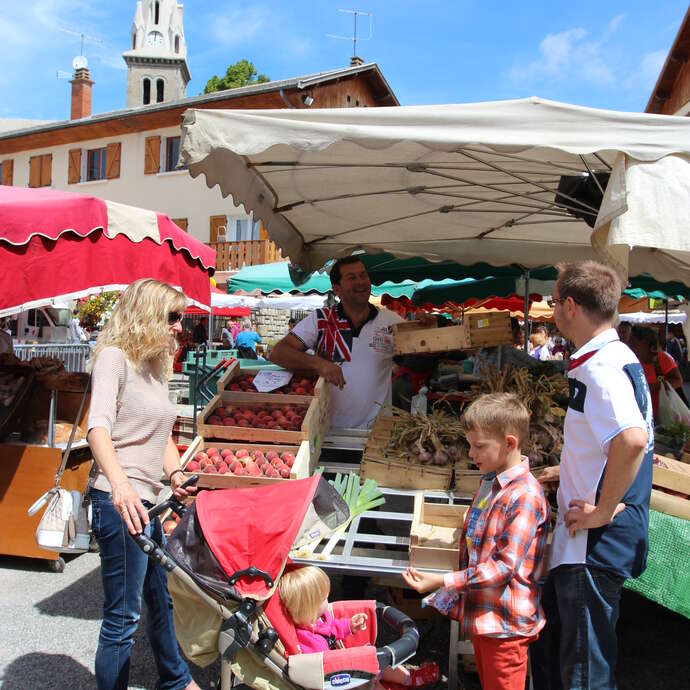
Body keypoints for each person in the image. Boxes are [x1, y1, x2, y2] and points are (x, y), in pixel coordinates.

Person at [532, 261, 652, 690]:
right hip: (593, 543)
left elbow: (632, 440)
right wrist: (566, 468)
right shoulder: (615, 358)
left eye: (553, 303)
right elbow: (613, 441)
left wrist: (601, 511)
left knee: (585, 674)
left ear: (569, 305)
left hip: (593, 545)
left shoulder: (602, 367)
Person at [86, 279, 199, 690]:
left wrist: (175, 475)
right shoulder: (114, 358)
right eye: (172, 317)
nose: (177, 327)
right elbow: (97, 428)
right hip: (120, 502)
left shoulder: (155, 367)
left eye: (180, 318)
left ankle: (175, 680)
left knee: (159, 599)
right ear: (146, 314)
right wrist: (120, 486)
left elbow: (163, 434)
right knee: (124, 616)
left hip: (149, 502)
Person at [403, 393, 550, 690]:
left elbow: (502, 567)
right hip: (488, 621)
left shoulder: (525, 497)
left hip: (506, 628)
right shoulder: (492, 485)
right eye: (470, 445)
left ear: (510, 443)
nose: (471, 454)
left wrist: (443, 581)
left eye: (479, 446)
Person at [269, 256, 403, 429]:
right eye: (352, 278)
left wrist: (427, 327)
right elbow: (278, 353)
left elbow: (422, 353)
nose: (361, 282)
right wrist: (318, 364)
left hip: (377, 432)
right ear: (337, 288)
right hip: (328, 431)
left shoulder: (390, 321)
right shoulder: (321, 319)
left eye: (363, 276)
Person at [280, 565, 439, 689]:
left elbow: (332, 628)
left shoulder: (316, 620)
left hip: (341, 665)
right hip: (339, 680)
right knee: (373, 670)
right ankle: (404, 679)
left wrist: (349, 625)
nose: (328, 600)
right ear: (309, 608)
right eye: (324, 598)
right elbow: (321, 670)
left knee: (380, 663)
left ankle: (410, 677)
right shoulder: (309, 642)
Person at [628, 325, 686, 420]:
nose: (629, 343)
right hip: (638, 415)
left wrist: (656, 386)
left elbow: (678, 380)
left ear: (645, 342)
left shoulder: (661, 359)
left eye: (633, 341)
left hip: (662, 413)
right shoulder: (630, 360)